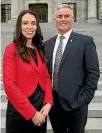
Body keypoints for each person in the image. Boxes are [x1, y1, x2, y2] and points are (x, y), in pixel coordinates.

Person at [44, 5, 100, 133]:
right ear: (55, 20)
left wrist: (84, 99)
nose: (63, 19)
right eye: (59, 16)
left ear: (73, 19)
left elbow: (93, 72)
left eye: (67, 16)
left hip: (77, 104)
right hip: (54, 105)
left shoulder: (85, 41)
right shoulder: (47, 45)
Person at [3, 10, 53, 133]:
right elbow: (9, 85)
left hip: (40, 111)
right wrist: (32, 113)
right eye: (25, 23)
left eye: (33, 23)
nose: (30, 27)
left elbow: (46, 77)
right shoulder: (11, 49)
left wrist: (48, 103)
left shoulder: (39, 50)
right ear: (19, 26)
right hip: (20, 110)